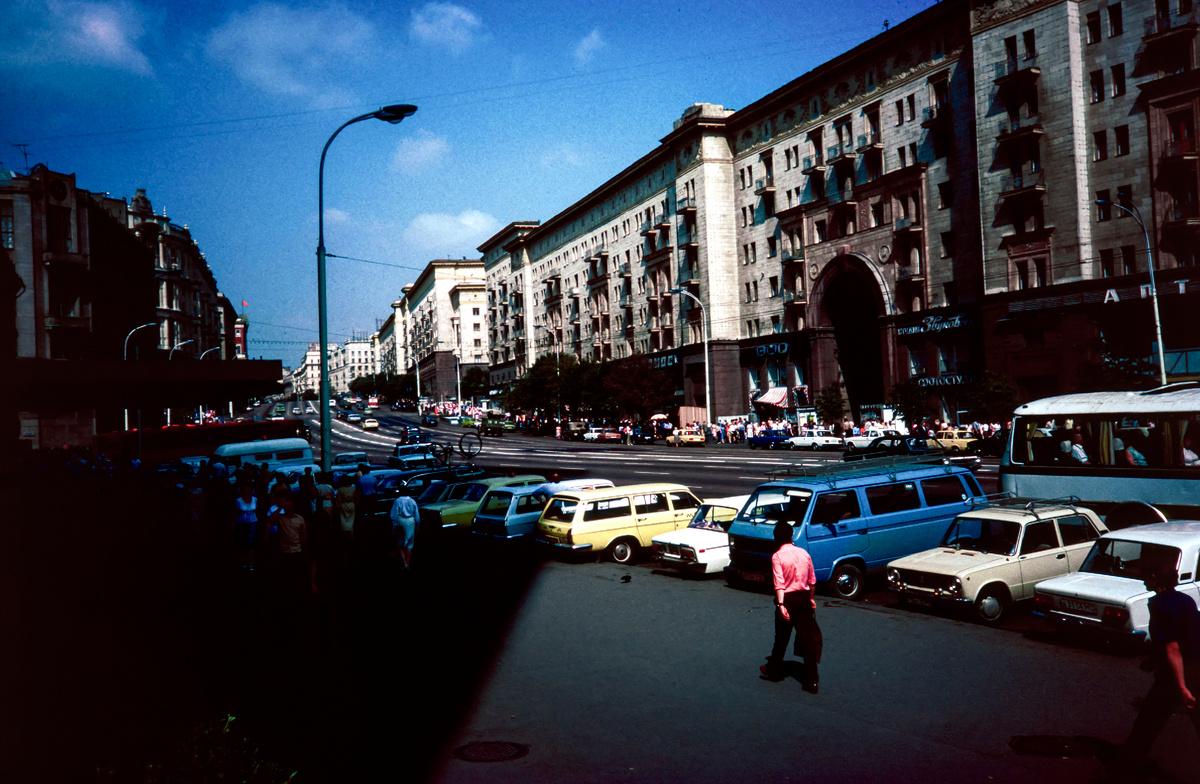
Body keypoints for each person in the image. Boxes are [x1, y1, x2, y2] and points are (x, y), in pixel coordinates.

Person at [1105, 550, 1200, 781]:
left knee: (1147, 724)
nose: (1143, 580)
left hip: (1175, 675)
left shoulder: (1159, 605)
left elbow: (1172, 648)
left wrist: (1181, 687)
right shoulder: (1185, 600)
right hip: (1197, 668)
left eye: (1145, 576)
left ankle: (1123, 772)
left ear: (1155, 577)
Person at [761, 521, 822, 693]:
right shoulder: (804, 553)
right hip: (803, 598)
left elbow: (779, 583)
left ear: (776, 538)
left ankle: (774, 671)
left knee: (781, 638)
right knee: (808, 640)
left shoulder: (777, 556)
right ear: (791, 536)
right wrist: (811, 599)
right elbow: (812, 581)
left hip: (787, 599)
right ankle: (812, 681)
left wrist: (781, 604)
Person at [389, 492, 419, 569]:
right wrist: (417, 526)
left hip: (401, 520)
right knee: (410, 543)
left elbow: (394, 514)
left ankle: (404, 561)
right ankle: (407, 563)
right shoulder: (412, 501)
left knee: (400, 542)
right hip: (411, 520)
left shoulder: (397, 501)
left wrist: (394, 525)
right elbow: (417, 515)